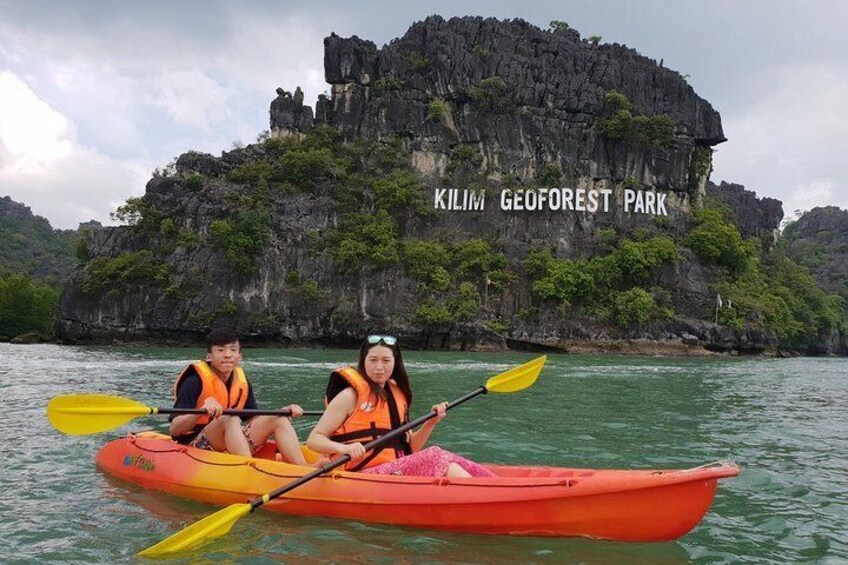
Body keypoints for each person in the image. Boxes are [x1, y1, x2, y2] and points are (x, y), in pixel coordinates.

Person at [307, 334, 494, 478]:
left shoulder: (398, 394)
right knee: (436, 455)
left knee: (448, 456)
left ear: (395, 363)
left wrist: (431, 423)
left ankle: (493, 486)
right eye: (373, 360)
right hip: (360, 475)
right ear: (363, 362)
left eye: (386, 361)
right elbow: (314, 440)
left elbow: (409, 448)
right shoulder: (349, 396)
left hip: (395, 471)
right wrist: (344, 449)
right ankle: (486, 497)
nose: (379, 367)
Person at [170, 327, 310, 466]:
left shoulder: (242, 381)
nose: (228, 355)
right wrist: (201, 410)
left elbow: (254, 418)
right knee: (230, 417)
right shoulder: (193, 381)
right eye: (221, 350)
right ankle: (250, 470)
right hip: (195, 446)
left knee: (279, 418)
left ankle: (304, 470)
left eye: (233, 350)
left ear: (239, 356)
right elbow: (175, 430)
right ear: (209, 356)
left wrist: (283, 411)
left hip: (228, 442)